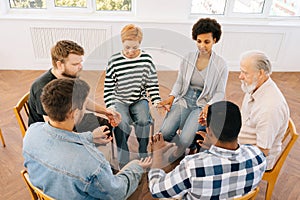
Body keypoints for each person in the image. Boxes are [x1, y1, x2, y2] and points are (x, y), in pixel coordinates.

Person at [23, 78, 152, 199]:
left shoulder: (31, 133)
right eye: (84, 106)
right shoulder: (92, 163)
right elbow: (118, 193)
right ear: (75, 113)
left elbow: (59, 139)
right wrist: (135, 167)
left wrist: (89, 137)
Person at [148, 101, 266, 199]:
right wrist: (214, 143)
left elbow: (156, 189)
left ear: (208, 130)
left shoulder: (192, 167)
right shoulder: (257, 157)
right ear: (239, 127)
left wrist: (157, 153)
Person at [158, 18, 228, 161]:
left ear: (215, 40)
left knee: (186, 140)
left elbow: (220, 92)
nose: (202, 46)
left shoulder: (221, 64)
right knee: (164, 133)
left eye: (206, 42)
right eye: (199, 41)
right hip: (184, 98)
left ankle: (182, 149)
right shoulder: (188, 58)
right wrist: (172, 97)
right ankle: (181, 145)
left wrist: (209, 105)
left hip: (202, 104)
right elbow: (180, 82)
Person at [28, 40, 121, 132]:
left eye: (80, 62)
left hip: (70, 117)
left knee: (108, 126)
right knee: (96, 136)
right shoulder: (41, 88)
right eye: (75, 64)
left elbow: (82, 99)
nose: (80, 67)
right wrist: (88, 138)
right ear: (60, 64)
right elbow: (53, 130)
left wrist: (106, 112)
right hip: (50, 131)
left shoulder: (70, 75)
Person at [104, 24, 161, 167]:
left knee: (143, 120)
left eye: (135, 47)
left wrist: (156, 100)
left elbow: (152, 83)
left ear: (140, 44)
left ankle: (143, 150)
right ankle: (123, 155)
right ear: (122, 43)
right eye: (127, 47)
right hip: (119, 100)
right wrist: (111, 106)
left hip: (138, 99)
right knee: (120, 123)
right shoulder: (114, 60)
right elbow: (108, 87)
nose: (130, 51)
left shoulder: (146, 59)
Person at [237, 50, 290, 170]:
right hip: (240, 144)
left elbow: (262, 151)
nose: (240, 76)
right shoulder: (254, 85)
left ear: (261, 73)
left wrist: (231, 153)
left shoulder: (270, 108)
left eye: (245, 73)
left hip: (254, 159)